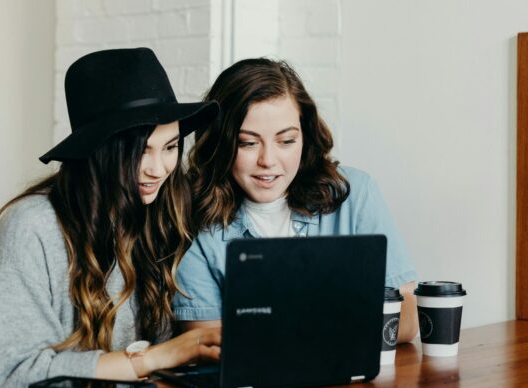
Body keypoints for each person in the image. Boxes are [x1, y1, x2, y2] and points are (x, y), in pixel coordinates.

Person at [0, 48, 221, 388]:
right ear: (99, 150)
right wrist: (153, 358)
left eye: (170, 147)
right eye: (140, 151)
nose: (158, 169)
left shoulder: (157, 219)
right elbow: (17, 378)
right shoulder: (30, 227)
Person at [174, 58, 419, 342]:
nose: (268, 160)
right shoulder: (194, 217)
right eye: (248, 143)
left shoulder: (354, 193)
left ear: (305, 135)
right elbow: (204, 343)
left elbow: (407, 319)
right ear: (221, 143)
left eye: (286, 141)